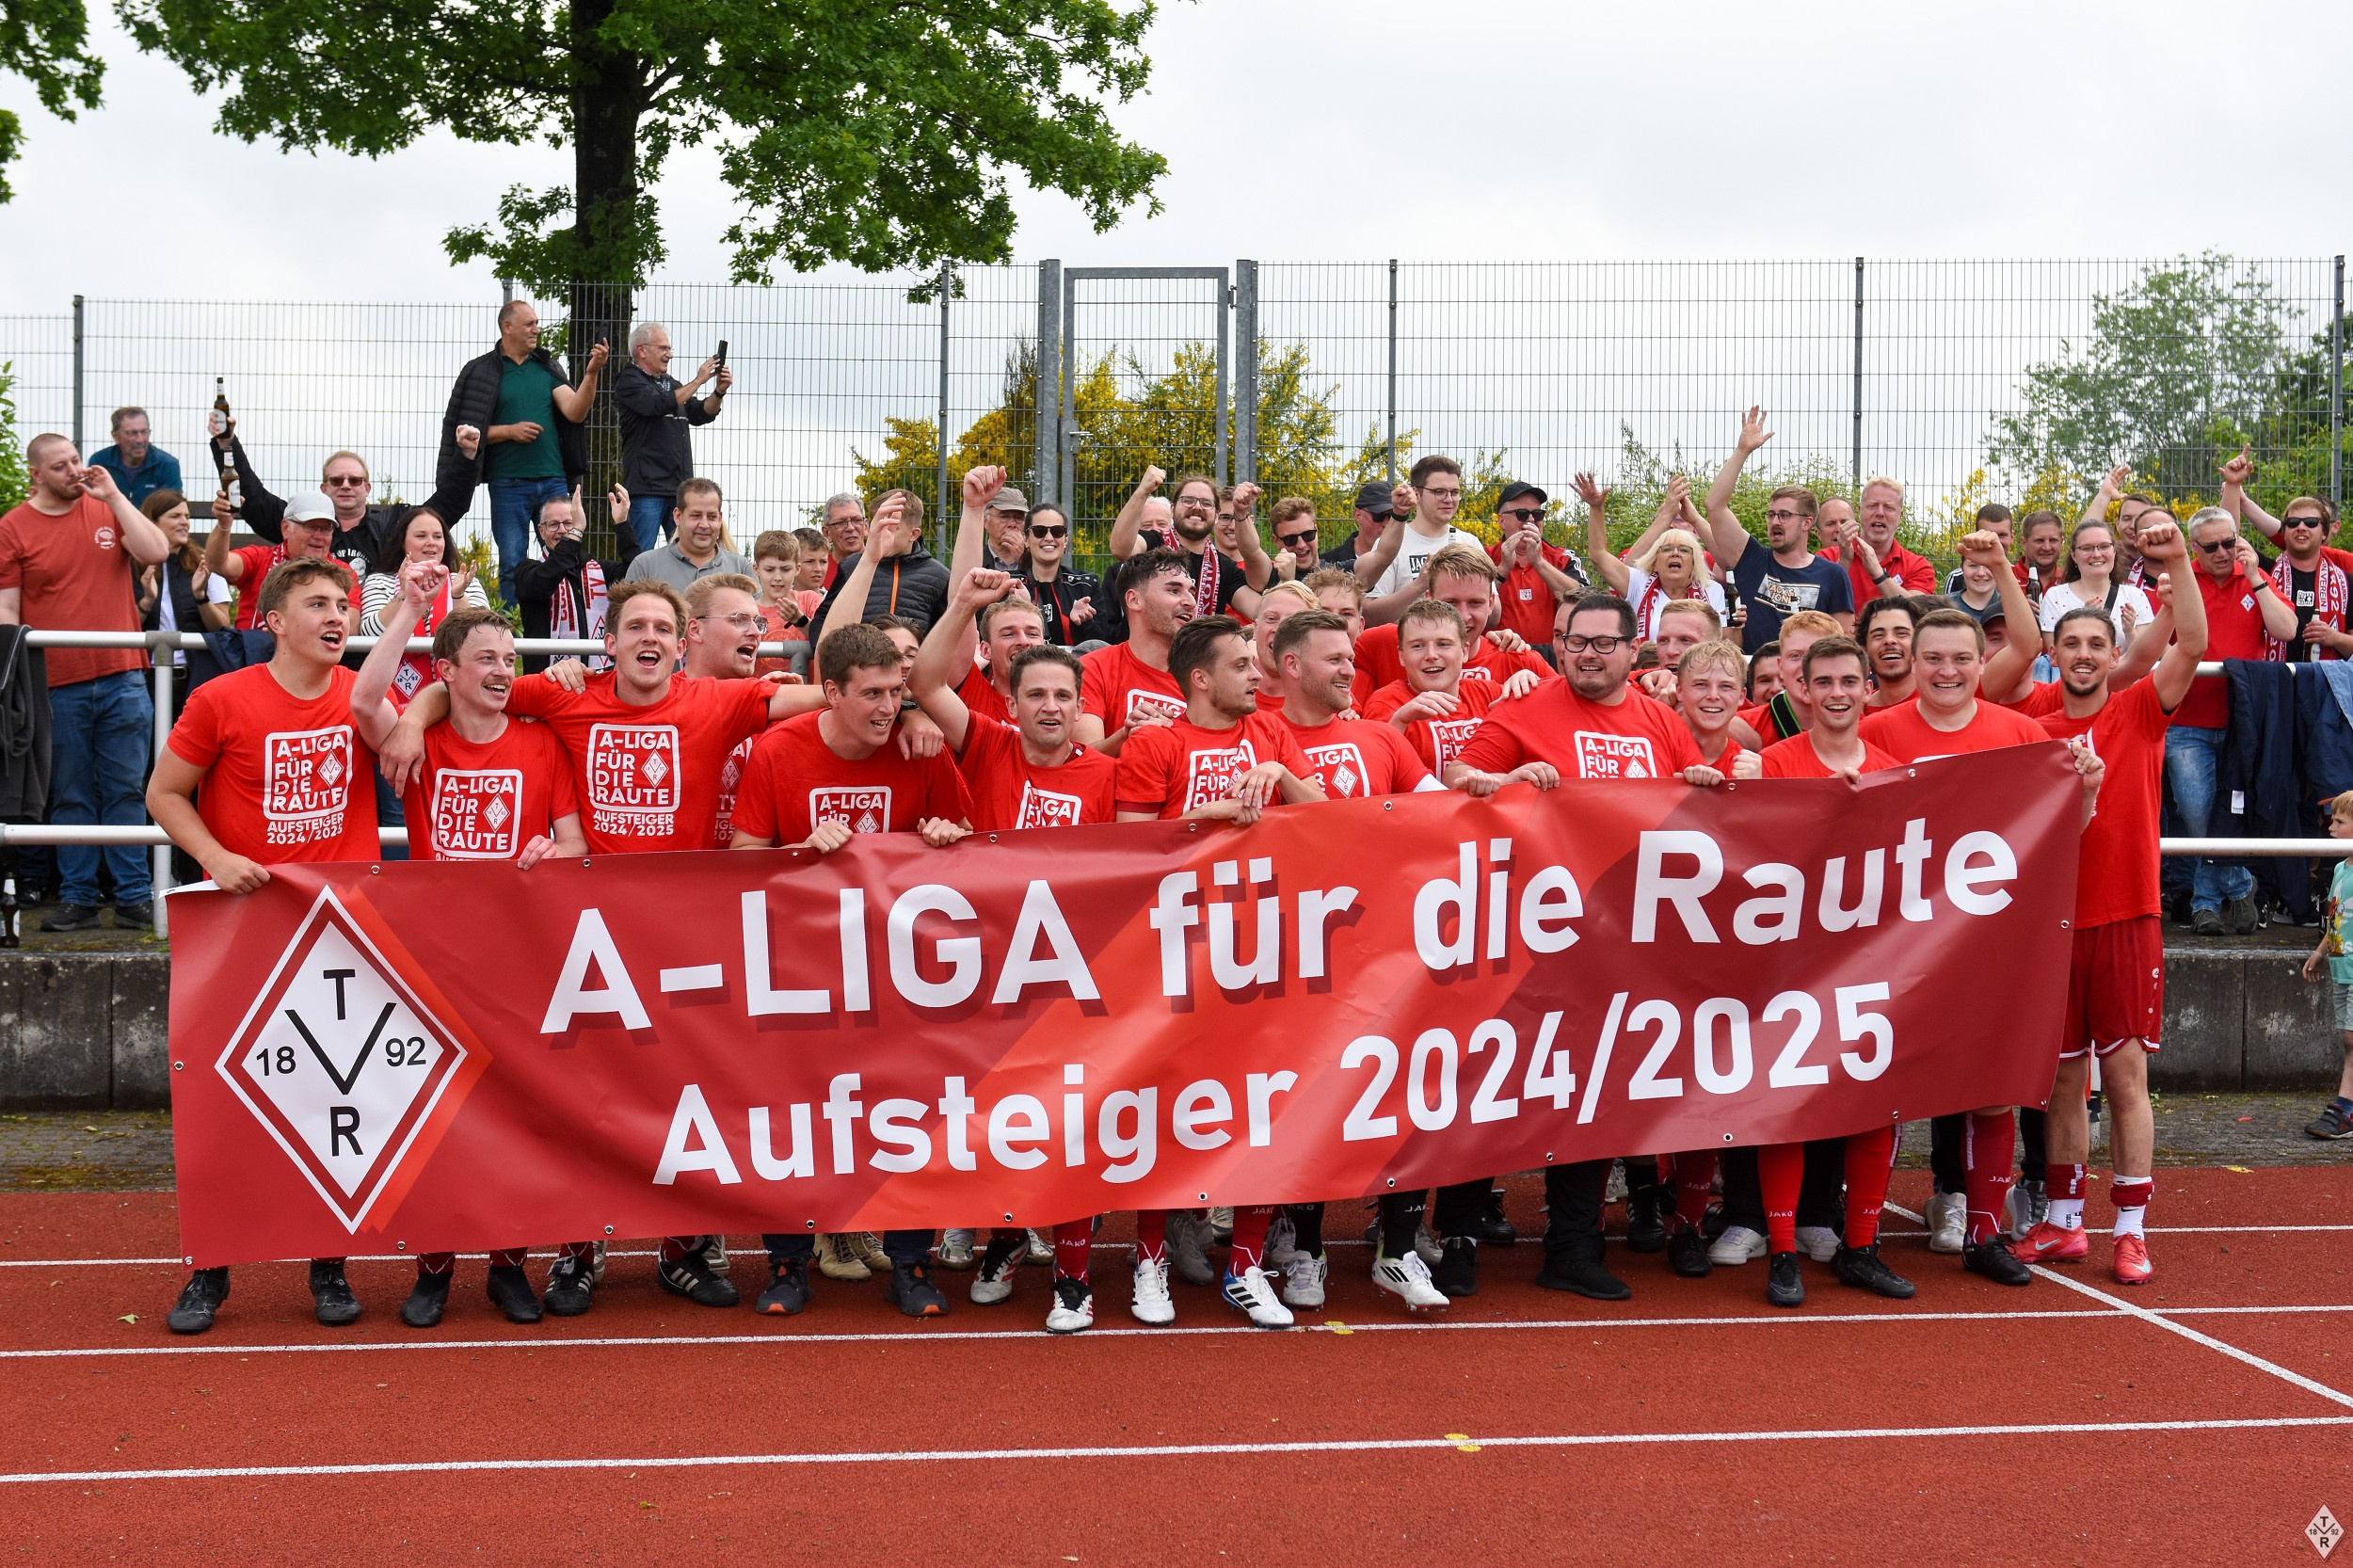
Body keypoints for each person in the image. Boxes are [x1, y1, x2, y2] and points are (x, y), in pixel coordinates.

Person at [383, 575, 826, 1314]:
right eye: (637, 626)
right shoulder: (563, 695)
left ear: (681, 644)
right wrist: (410, 720)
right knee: (583, 1098)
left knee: (684, 1093)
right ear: (609, 642)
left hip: (683, 935)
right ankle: (576, 1256)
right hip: (584, 940)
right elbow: (460, 687)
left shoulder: (715, 700)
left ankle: (681, 1253)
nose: (650, 637)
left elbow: (831, 701)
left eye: (663, 628)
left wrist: (907, 707)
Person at [1447, 594, 1723, 1302]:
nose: (1588, 654)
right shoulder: (1524, 708)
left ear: (1634, 650)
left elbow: (1700, 812)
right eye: (1575, 642)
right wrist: (1503, 781)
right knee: (1492, 1083)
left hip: (1625, 945)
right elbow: (1457, 780)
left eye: (1604, 643)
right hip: (1529, 936)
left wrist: (1711, 784)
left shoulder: (1662, 722)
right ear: (1559, 645)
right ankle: (1458, 1237)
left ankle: (1573, 1244)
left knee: (1592, 1090)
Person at [350, 567, 586, 1326]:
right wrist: (412, 610)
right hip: (437, 962)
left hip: (521, 962)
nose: (503, 671)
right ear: (446, 671)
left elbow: (575, 844)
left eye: (509, 659)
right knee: (438, 1124)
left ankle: (508, 1268)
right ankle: (434, 1270)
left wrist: (550, 855)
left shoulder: (541, 743)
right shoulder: (418, 740)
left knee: (515, 1122)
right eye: (486, 658)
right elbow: (364, 700)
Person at [147, 557, 374, 1335]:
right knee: (228, 1105)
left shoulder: (364, 697)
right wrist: (213, 857)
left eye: (343, 604)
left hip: (337, 935)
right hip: (241, 932)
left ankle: (329, 1266)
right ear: (273, 621)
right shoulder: (220, 699)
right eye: (318, 604)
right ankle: (211, 1269)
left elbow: (436, 703)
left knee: (336, 1101)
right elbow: (163, 793)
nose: (336, 616)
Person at [1857, 605, 2106, 1288]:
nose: (1948, 671)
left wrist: (2086, 793)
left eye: (1961, 659)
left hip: (1991, 945)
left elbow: (2058, 835)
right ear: (1913, 663)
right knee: (1878, 1088)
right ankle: (1862, 1238)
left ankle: (1984, 1233)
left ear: (1981, 664)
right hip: (1893, 947)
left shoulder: (2022, 735)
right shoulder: (1876, 731)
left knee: (1993, 1090)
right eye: (1934, 658)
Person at [728, 622, 971, 1320]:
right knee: (794, 1114)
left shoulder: (920, 747)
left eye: (897, 693)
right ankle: (787, 1263)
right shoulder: (779, 751)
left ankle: (912, 1263)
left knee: (912, 1113)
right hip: (804, 969)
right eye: (872, 694)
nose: (889, 707)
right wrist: (800, 853)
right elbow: (742, 856)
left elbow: (971, 847)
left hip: (900, 973)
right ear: (830, 692)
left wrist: (945, 838)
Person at [2008, 519, 2203, 1287]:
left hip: (2125, 918)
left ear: (2114, 654)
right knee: (2061, 1082)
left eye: (2097, 644)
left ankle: (2129, 1228)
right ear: (2054, 655)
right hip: (2052, 927)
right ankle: (2063, 1222)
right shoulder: (2031, 728)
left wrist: (2178, 559)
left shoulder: (2139, 710)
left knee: (2124, 1080)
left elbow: (2191, 642)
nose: (2085, 654)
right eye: (2072, 644)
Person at [1112, 615, 1322, 1328]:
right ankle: (1150, 1260)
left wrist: (1282, 775)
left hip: (1265, 950)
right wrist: (1211, 815)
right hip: (1175, 957)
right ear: (1200, 679)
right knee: (1167, 1112)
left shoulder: (1271, 732)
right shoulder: (1155, 744)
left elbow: (1331, 818)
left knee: (1267, 1107)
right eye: (1241, 666)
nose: (1257, 676)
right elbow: (1128, 851)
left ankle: (1246, 1266)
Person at [1751, 635, 1920, 1306]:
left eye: (1850, 681)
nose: (1838, 693)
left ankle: (1862, 1248)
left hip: (1869, 964)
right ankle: (1783, 1253)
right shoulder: (1772, 764)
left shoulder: (1895, 773)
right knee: (1786, 1106)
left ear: (1868, 689)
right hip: (1788, 962)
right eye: (1824, 682)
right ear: (1803, 689)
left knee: (1874, 1106)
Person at [0, 437, 171, 931]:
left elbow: (157, 550)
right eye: (61, 466)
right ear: (36, 475)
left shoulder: (105, 506)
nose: (75, 470)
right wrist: (15, 684)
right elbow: (7, 611)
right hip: (55, 683)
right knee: (70, 795)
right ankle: (79, 898)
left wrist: (115, 496)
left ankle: (133, 896)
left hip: (122, 674)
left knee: (126, 790)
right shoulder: (12, 528)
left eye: (76, 459)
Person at [2171, 506, 2296, 935]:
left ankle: (2205, 903)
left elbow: (2287, 630)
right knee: (2197, 814)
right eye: (2212, 547)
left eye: (2229, 542)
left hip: (2244, 722)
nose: (2223, 552)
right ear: (2194, 548)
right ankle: (2241, 884)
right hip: (2187, 720)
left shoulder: (2254, 575)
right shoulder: (2180, 578)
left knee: (2227, 814)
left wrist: (2257, 577)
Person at [439, 300, 605, 606]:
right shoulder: (481, 371)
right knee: (512, 565)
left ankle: (564, 620)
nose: (536, 329)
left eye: (536, 323)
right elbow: (465, 433)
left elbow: (575, 411)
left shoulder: (546, 367)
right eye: (529, 324)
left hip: (554, 481)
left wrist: (592, 373)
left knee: (565, 554)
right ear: (507, 327)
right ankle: (512, 629)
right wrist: (509, 431)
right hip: (507, 484)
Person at [218, 423, 482, 586]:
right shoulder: (301, 523)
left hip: (377, 628)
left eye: (355, 480)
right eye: (337, 480)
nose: (346, 485)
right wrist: (227, 444)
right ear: (324, 489)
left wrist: (466, 456)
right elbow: (255, 500)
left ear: (367, 488)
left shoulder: (393, 525)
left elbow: (446, 506)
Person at [1702, 407, 1854, 650]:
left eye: (1784, 515)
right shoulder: (1751, 559)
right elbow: (1715, 505)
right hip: (1754, 671)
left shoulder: (1833, 575)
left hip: (1805, 673)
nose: (1775, 522)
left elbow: (1844, 642)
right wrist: (1742, 451)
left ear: (1807, 523)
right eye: (1771, 515)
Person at [1348, 544, 1551, 707]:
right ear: (1429, 599)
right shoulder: (1387, 642)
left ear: (1491, 603)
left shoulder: (1517, 658)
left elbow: (1563, 705)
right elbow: (1336, 651)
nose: (1462, 616)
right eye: (1450, 603)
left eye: (1475, 603)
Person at [1364, 600, 1539, 773]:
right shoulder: (1386, 705)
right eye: (1418, 646)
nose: (1431, 655)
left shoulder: (1490, 694)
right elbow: (1373, 774)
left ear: (1464, 652)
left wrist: (1531, 687)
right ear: (1401, 656)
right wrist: (1399, 722)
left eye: (1443, 644)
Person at [2216, 456, 2353, 661]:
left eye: (2311, 522)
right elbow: (2228, 540)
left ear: (2325, 532)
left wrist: (2334, 638)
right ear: (2284, 531)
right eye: (2293, 522)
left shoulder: (2346, 583)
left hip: (2326, 680)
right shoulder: (2263, 572)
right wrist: (2233, 485)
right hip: (2273, 678)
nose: (2301, 527)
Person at [615, 321, 729, 554]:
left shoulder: (671, 384)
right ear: (642, 350)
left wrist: (719, 391)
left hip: (679, 488)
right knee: (640, 555)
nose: (670, 355)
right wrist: (698, 381)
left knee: (685, 553)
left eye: (670, 348)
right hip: (647, 488)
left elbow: (700, 413)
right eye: (663, 348)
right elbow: (656, 404)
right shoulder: (629, 380)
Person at [358, 509, 490, 701]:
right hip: (390, 699)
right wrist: (404, 593)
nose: (431, 542)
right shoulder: (378, 581)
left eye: (437, 536)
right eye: (421, 536)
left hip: (457, 698)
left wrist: (458, 595)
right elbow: (370, 634)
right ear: (402, 542)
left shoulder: (465, 581)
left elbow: (483, 638)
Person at [1109, 468, 1268, 620]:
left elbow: (1259, 609)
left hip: (1198, 640)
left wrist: (1241, 512)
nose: (1197, 507)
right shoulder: (1153, 543)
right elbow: (1120, 549)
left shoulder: (1223, 568)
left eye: (1206, 503)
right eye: (1188, 500)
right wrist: (1142, 491)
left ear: (1216, 516)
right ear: (1172, 510)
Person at [1075, 550, 1193, 755]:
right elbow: (1083, 760)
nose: (1190, 602)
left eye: (1192, 592)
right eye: (1174, 591)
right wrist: (1128, 734)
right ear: (1134, 600)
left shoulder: (1202, 677)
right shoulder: (1094, 669)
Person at [1581, 474, 1726, 638]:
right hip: (1647, 655)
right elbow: (1600, 555)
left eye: (1684, 550)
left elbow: (1729, 564)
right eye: (1667, 549)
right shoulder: (1638, 582)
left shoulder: (1711, 589)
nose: (1675, 553)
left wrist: (1696, 519)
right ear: (1654, 561)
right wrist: (1596, 508)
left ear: (1696, 561)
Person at [1357, 456, 1488, 623]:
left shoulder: (1470, 543)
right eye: (1439, 492)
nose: (1449, 499)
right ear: (1417, 494)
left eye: (1455, 492)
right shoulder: (1392, 544)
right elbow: (1368, 615)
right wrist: (1419, 585)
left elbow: (1494, 611)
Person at [135, 489, 234, 706]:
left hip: (194, 678)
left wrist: (200, 598)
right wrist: (146, 602)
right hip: (142, 679)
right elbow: (124, 629)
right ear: (152, 521)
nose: (184, 522)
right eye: (175, 516)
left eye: (187, 516)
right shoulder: (131, 566)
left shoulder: (205, 564)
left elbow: (221, 626)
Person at [515, 488, 629, 673]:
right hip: (547, 679)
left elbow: (636, 574)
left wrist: (622, 524)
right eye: (553, 524)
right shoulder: (527, 570)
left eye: (569, 523)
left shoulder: (601, 570)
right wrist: (576, 531)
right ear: (541, 531)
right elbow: (544, 582)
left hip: (599, 677)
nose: (562, 530)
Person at [808, 488, 949, 634]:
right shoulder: (853, 565)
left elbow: (946, 632)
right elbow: (823, 619)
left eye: (891, 528)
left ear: (913, 534)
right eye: (878, 525)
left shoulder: (939, 576)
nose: (881, 533)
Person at [2301, 791, 2353, 1140]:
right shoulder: (2338, 869)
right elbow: (2335, 919)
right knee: (2348, 1038)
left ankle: (2346, 1107)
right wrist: (2320, 953)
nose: (2331, 828)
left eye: (2340, 822)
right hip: (2342, 967)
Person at [1489, 481, 1586, 650]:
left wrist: (1539, 562)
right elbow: (1473, 603)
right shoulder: (1484, 556)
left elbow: (1583, 602)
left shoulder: (1562, 558)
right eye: (1522, 514)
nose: (1531, 520)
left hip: (1552, 656)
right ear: (1502, 521)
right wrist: (1502, 569)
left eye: (1538, 514)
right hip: (1499, 653)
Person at [622, 476, 756, 591]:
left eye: (712, 517)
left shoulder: (741, 569)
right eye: (696, 515)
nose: (704, 524)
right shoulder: (645, 566)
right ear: (678, 516)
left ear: (720, 519)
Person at [2037, 520, 2152, 651]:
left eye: (2104, 547)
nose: (2096, 554)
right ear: (2074, 555)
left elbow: (2145, 655)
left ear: (2114, 551)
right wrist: (2084, 623)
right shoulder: (2055, 597)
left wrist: (2129, 631)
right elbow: (2057, 654)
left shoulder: (2135, 596)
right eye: (2087, 548)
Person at [1819, 475, 1936, 604]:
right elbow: (1816, 605)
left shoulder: (1917, 566)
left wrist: (1878, 574)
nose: (1880, 513)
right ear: (1860, 511)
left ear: (1900, 516)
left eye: (1889, 507)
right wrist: (1843, 564)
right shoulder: (1827, 557)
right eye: (1872, 506)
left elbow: (1918, 609)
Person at [1015, 504, 1101, 647]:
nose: (1049, 538)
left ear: (1065, 540)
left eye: (1057, 531)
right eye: (1040, 531)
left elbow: (1103, 643)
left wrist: (1083, 623)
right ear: (1026, 540)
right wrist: (1019, 608)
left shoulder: (1086, 585)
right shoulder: (1011, 585)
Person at [1675, 639, 1758, 776]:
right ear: (1680, 691)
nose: (1713, 696)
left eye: (1726, 686)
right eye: (1701, 684)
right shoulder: (1654, 752)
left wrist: (1755, 786)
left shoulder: (1747, 770)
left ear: (1741, 697)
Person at [86, 407, 182, 507]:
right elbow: (92, 502)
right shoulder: (100, 462)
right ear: (115, 436)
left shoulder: (167, 464)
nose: (140, 440)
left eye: (144, 432)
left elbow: (172, 507)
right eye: (132, 433)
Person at [1856, 594, 1922, 709]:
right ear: (1864, 648)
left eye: (1901, 633)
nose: (1889, 640)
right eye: (1878, 635)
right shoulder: (1854, 711)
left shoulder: (1939, 706)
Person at [1322, 481, 1394, 570]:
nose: (1386, 524)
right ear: (1358, 515)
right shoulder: (1329, 565)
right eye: (1379, 516)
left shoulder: (1403, 560)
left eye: (1392, 516)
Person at [978, 485, 1032, 573]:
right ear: (986, 521)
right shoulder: (976, 562)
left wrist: (1025, 560)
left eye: (1019, 518)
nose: (1012, 524)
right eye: (1004, 517)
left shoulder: (1038, 560)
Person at [817, 494, 867, 588]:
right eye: (840, 523)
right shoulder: (817, 571)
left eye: (856, 520)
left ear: (866, 527)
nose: (850, 528)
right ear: (827, 533)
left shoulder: (885, 566)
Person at [1268, 497, 1322, 582]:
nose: (1301, 545)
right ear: (1276, 541)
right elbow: (1253, 552)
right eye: (1290, 539)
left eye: (1307, 534)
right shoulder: (1267, 578)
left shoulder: (1340, 573)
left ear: (1316, 531)